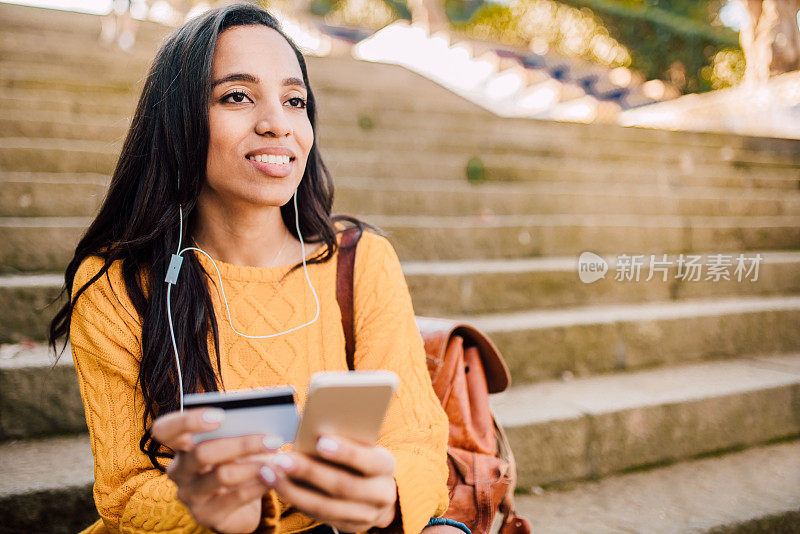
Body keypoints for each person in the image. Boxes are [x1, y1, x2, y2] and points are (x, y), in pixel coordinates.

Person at [49, 3, 469, 533]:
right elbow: (124, 492)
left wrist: (385, 496)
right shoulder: (115, 286)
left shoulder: (359, 261)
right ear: (178, 122)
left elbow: (418, 446)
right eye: (237, 96)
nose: (277, 125)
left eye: (295, 101)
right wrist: (202, 506)